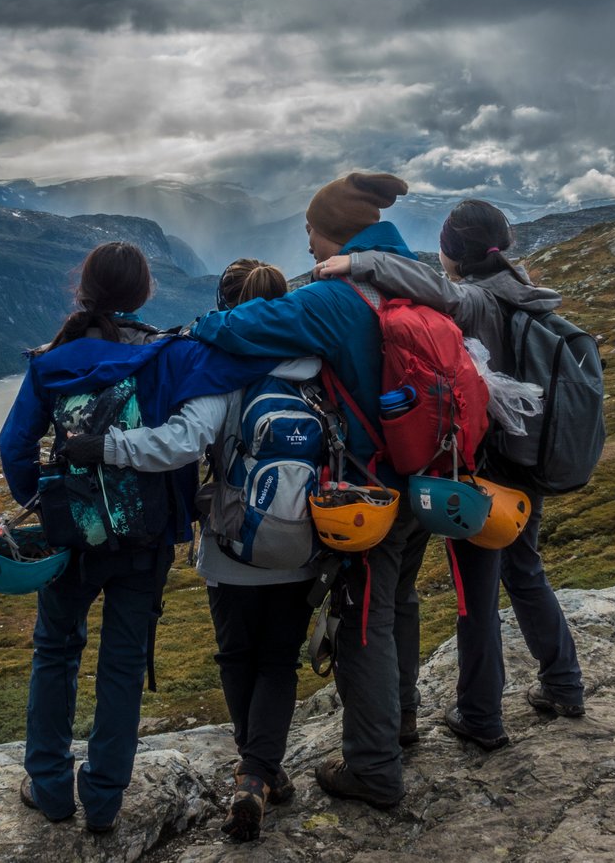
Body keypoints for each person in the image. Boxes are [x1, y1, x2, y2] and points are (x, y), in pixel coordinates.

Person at [0, 242, 275, 834]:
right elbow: (224, 392)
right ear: (145, 294)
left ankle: (49, 789)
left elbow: (13, 445)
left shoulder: (52, 361)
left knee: (56, 651)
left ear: (84, 290)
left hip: (72, 533)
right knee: (123, 663)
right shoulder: (170, 357)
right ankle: (103, 801)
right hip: (145, 540)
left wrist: (41, 505)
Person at [316, 197, 587, 752]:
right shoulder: (530, 296)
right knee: (527, 572)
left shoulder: (479, 301)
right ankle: (564, 683)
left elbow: (434, 289)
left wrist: (358, 263)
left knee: (475, 595)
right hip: (530, 467)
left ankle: (481, 717)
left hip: (487, 474)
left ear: (452, 255)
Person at [191, 173, 427, 810]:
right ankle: (401, 720)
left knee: (362, 627)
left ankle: (375, 770)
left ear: (334, 233)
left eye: (310, 234)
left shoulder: (338, 296)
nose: (308, 247)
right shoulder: (416, 277)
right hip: (428, 475)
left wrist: (198, 325)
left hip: (371, 493)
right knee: (399, 603)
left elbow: (241, 328)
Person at [61, 258, 316, 841]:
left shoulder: (220, 370)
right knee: (279, 659)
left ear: (227, 309)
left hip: (232, 547)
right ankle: (259, 774)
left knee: (235, 656)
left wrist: (105, 448)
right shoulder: (314, 367)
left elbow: (179, 444)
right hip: (303, 540)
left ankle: (253, 770)